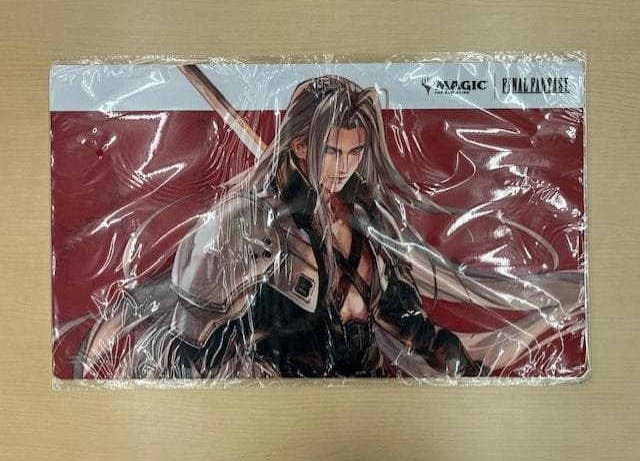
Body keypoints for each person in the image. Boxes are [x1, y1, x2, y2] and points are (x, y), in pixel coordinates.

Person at [79, 74, 583, 380]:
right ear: (300, 147)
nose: (343, 167)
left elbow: (410, 328)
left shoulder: (368, 226)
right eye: (331, 152)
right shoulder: (254, 224)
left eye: (354, 152)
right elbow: (191, 344)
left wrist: (468, 372)